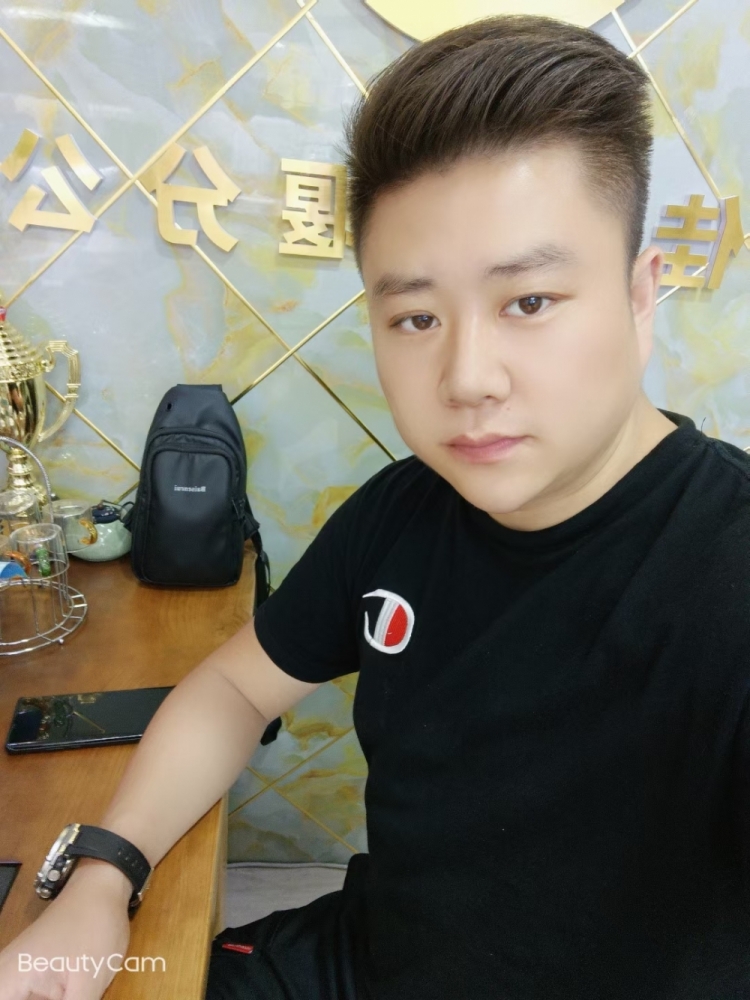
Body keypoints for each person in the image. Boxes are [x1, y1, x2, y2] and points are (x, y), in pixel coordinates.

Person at [2, 11, 750, 1000]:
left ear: (641, 295)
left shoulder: (727, 567)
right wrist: (103, 874)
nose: (467, 377)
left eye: (529, 301)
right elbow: (233, 691)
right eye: (416, 316)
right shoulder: (402, 514)